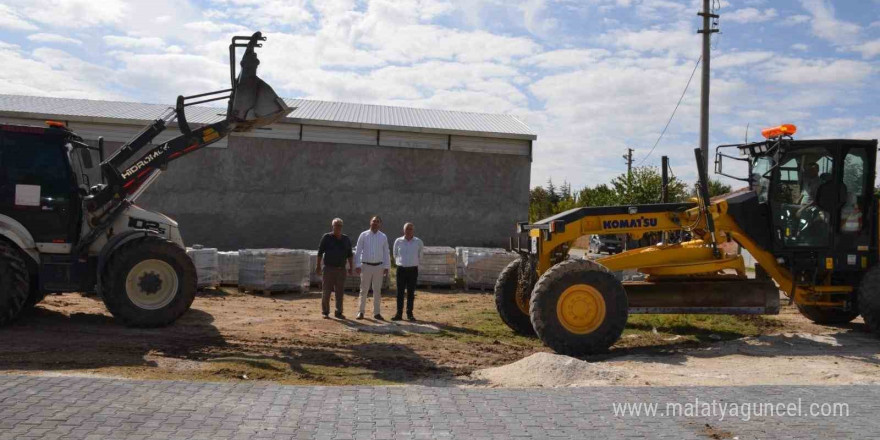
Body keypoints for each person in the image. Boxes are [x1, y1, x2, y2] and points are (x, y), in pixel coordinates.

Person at [354, 215, 390, 320]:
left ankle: (377, 313)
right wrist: (357, 264)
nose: (375, 223)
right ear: (370, 222)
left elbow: (386, 252)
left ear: (380, 224)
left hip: (379, 267)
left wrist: (387, 266)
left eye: (377, 221)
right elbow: (358, 250)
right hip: (366, 266)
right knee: (363, 290)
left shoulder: (383, 236)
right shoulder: (363, 235)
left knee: (377, 291)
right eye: (374, 221)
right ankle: (360, 312)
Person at [316, 218, 353, 319]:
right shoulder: (326, 237)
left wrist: (351, 267)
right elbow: (320, 252)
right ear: (332, 226)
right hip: (328, 269)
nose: (338, 227)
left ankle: (339, 312)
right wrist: (318, 266)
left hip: (341, 269)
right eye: (336, 225)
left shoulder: (346, 239)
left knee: (340, 292)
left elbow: (350, 254)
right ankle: (325, 312)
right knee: (326, 291)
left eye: (340, 225)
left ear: (342, 227)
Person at [392, 222, 424, 321]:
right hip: (401, 270)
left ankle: (410, 314)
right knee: (400, 293)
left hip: (413, 270)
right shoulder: (398, 241)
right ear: (403, 230)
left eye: (410, 229)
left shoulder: (418, 242)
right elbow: (395, 254)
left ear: (413, 230)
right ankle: (399, 314)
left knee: (411, 293)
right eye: (407, 229)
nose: (409, 231)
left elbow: (421, 255)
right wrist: (401, 262)